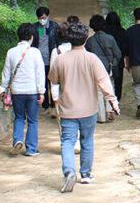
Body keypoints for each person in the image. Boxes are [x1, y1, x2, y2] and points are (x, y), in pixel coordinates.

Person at [49, 22, 120, 192]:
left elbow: (53, 79)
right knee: (87, 141)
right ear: (85, 38)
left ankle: (69, 172)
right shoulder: (92, 59)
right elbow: (104, 82)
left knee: (67, 142)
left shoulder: (61, 59)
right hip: (89, 109)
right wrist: (113, 101)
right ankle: (86, 174)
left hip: (68, 109)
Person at [0, 23, 46, 157]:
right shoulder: (35, 52)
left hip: (16, 91)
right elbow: (40, 74)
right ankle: (31, 148)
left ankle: (17, 140)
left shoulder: (11, 52)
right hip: (32, 91)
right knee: (32, 120)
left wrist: (3, 88)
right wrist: (41, 92)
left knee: (19, 117)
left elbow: (6, 73)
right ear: (31, 37)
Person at [86, 14, 122, 122]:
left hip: (95, 69)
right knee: (110, 88)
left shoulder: (90, 41)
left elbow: (87, 56)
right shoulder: (110, 38)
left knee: (99, 92)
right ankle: (109, 110)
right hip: (108, 68)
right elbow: (118, 54)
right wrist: (113, 64)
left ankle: (101, 116)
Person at [33, 7, 58, 109]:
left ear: (47, 16)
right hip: (39, 59)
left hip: (51, 58)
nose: (42, 20)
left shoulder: (54, 27)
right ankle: (45, 104)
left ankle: (53, 102)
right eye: (40, 18)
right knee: (42, 82)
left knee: (52, 81)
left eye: (44, 17)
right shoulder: (34, 28)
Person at [103, 11, 127, 101]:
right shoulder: (122, 32)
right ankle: (117, 98)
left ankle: (108, 99)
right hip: (118, 60)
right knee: (118, 81)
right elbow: (125, 47)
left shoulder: (104, 33)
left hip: (106, 59)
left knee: (106, 80)